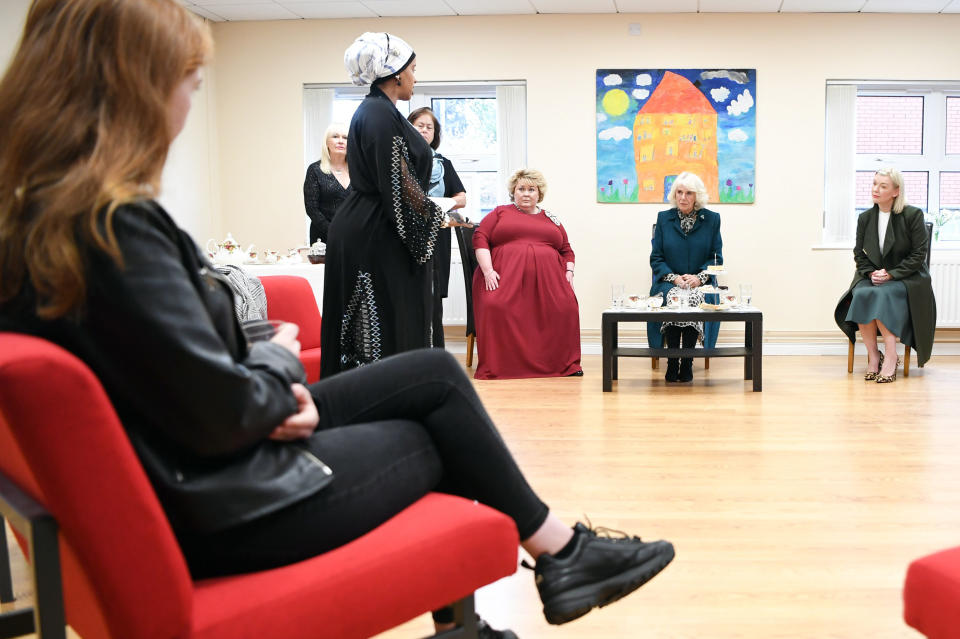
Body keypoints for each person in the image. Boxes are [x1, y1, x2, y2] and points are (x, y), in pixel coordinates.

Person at [0, 10, 674, 638]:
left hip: (198, 463)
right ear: (134, 91)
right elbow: (224, 409)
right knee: (434, 430)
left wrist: (256, 367)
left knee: (436, 375)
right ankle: (541, 567)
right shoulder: (113, 228)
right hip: (229, 498)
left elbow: (165, 367)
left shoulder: (37, 220)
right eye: (189, 84)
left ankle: (557, 553)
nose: (184, 107)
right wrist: (278, 366)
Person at [320, 32, 447, 377]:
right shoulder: (377, 113)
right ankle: (375, 398)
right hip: (374, 230)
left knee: (383, 321)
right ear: (395, 73)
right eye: (413, 69)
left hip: (373, 224)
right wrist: (436, 215)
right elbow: (395, 181)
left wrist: (431, 212)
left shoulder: (380, 111)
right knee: (378, 323)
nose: (415, 78)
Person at [472, 169, 582, 379]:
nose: (526, 193)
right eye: (521, 189)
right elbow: (480, 238)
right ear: (513, 192)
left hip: (550, 283)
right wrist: (488, 270)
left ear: (539, 194)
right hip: (503, 279)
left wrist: (569, 271)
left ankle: (565, 365)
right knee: (496, 306)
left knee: (566, 307)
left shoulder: (551, 219)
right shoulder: (499, 213)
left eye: (531, 189)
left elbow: (567, 250)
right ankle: (501, 367)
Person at [834, 167, 936, 383]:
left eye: (883, 186)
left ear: (896, 191)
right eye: (874, 184)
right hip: (874, 276)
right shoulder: (865, 218)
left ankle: (891, 355)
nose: (876, 189)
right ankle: (873, 356)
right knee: (860, 294)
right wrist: (871, 273)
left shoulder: (912, 215)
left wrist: (890, 274)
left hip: (907, 278)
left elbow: (918, 255)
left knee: (880, 295)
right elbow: (858, 253)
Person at [648, 172, 723, 383]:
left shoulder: (712, 220)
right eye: (679, 192)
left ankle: (687, 362)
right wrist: (674, 278)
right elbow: (656, 258)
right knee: (674, 296)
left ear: (696, 196)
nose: (683, 197)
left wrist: (699, 278)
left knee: (693, 296)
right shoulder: (664, 218)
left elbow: (716, 258)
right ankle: (673, 362)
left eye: (688, 193)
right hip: (668, 282)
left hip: (700, 282)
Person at [408, 106, 467, 349]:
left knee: (434, 299)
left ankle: (436, 353)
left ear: (435, 133)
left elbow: (462, 197)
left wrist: (441, 204)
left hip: (437, 236)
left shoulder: (444, 163)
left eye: (428, 127)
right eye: (418, 125)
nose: (423, 130)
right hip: (407, 235)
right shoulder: (400, 160)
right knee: (408, 296)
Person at [303, 122, 350, 244]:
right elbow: (312, 208)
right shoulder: (315, 170)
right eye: (335, 136)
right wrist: (333, 232)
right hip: (324, 237)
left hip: (355, 237)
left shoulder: (358, 171)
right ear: (327, 142)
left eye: (345, 138)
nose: (340, 141)